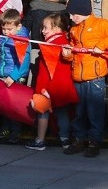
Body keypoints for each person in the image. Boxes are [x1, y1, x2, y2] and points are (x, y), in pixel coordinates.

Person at [61, 0, 108, 157]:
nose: (71, 17)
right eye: (70, 14)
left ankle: (94, 142)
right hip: (78, 76)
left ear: (83, 12)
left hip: (95, 77)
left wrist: (102, 45)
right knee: (79, 111)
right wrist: (67, 54)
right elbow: (74, 48)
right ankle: (79, 140)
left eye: (74, 14)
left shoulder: (100, 24)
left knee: (94, 111)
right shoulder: (74, 29)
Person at [27, 12, 79, 151]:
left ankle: (40, 140)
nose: (43, 31)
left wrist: (41, 88)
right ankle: (65, 138)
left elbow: (47, 71)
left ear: (56, 29)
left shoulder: (53, 44)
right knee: (62, 113)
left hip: (49, 85)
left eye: (45, 28)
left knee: (42, 111)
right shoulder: (64, 42)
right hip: (62, 86)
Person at [0, 9, 31, 143]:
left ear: (19, 27)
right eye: (3, 29)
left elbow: (24, 62)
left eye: (9, 29)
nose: (6, 32)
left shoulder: (22, 40)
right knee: (4, 106)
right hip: (1, 75)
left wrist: (13, 77)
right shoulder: (2, 38)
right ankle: (5, 129)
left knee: (14, 107)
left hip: (14, 77)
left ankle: (16, 131)